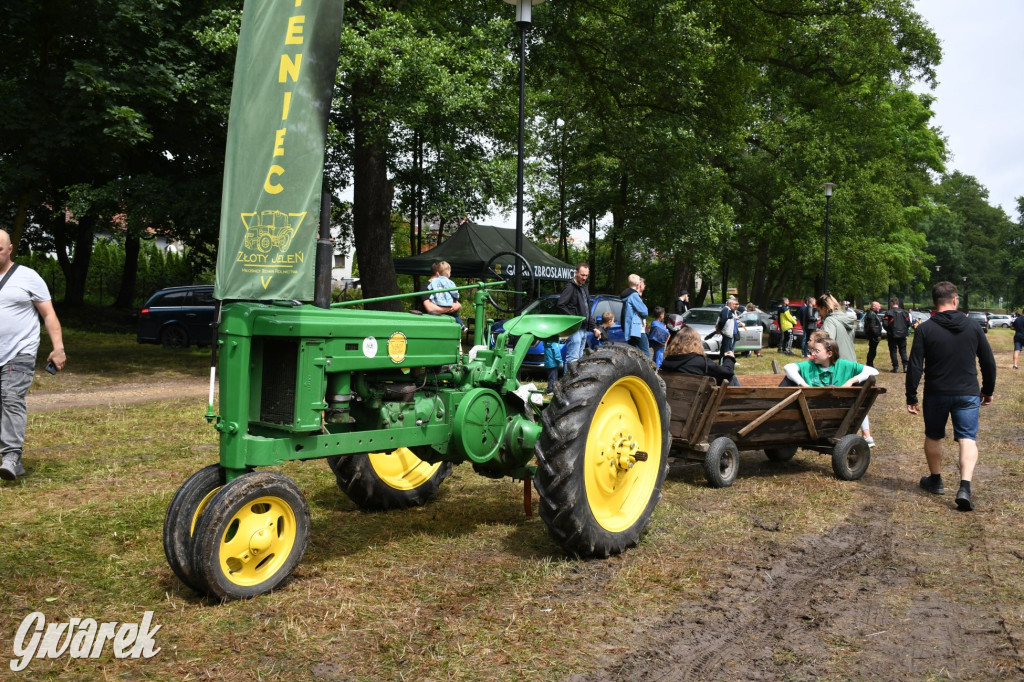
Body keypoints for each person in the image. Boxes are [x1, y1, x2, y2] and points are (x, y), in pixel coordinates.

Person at [906, 281, 996, 511]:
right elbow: (987, 361)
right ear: (955, 300)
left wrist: (911, 395)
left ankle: (935, 479)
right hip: (967, 393)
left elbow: (915, 365)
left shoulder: (925, 329)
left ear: (935, 303)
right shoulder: (973, 327)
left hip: (936, 392)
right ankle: (965, 486)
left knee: (934, 436)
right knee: (967, 438)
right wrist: (988, 390)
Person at [0, 229, 66, 481]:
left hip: (20, 352)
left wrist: (58, 347)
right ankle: (11, 459)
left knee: (11, 397)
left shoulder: (28, 277)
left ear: (10, 249)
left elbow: (49, 315)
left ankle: (11, 456)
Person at [817, 295, 873, 445]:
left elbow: (827, 343)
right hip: (852, 363)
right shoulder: (846, 318)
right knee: (857, 399)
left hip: (839, 366)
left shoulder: (830, 320)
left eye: (819, 310)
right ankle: (867, 435)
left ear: (824, 308)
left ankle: (833, 431)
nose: (819, 314)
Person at [784, 335, 879, 387]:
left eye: (817, 351)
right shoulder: (809, 364)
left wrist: (851, 381)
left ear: (829, 354)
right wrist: (804, 385)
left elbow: (873, 371)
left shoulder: (843, 364)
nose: (813, 354)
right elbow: (788, 367)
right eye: (813, 351)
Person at [661, 326, 739, 386]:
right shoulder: (701, 363)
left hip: (674, 401)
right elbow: (728, 373)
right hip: (698, 403)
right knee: (732, 378)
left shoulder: (666, 362)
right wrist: (729, 358)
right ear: (696, 343)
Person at [556, 263, 595, 364]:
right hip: (575, 329)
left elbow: (587, 309)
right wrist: (574, 319)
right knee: (572, 359)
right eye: (582, 275)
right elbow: (561, 304)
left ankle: (576, 380)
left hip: (584, 329)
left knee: (579, 360)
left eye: (586, 275)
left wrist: (593, 327)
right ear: (576, 273)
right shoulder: (570, 287)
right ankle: (567, 380)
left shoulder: (584, 287)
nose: (584, 278)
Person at [422, 261, 462, 326]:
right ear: (438, 274)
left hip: (449, 322)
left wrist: (458, 305)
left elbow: (456, 303)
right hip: (433, 323)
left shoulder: (446, 285)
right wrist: (450, 308)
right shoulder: (425, 288)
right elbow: (430, 308)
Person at [620, 274, 650, 356]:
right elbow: (645, 312)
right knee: (646, 354)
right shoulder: (633, 295)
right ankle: (648, 369)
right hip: (637, 329)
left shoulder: (626, 295)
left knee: (633, 353)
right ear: (637, 284)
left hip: (631, 328)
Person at [883, 296, 912, 373]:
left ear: (892, 303)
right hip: (902, 335)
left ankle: (896, 368)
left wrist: (890, 331)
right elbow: (909, 323)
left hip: (892, 335)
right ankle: (905, 367)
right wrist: (904, 330)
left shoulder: (888, 313)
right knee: (903, 351)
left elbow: (885, 324)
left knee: (893, 351)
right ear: (898, 303)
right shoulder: (905, 312)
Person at [715, 295, 745, 360]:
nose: (735, 306)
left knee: (727, 348)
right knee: (726, 350)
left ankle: (725, 362)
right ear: (730, 304)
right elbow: (722, 320)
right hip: (727, 333)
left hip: (729, 333)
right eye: (734, 304)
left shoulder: (730, 310)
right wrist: (720, 329)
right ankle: (725, 363)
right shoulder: (726, 310)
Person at [863, 301, 884, 368]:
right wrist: (877, 335)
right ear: (874, 306)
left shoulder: (872, 313)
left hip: (872, 335)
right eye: (878, 306)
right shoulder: (872, 314)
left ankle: (870, 364)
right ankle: (870, 364)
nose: (880, 308)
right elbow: (872, 327)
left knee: (872, 350)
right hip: (873, 336)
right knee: (872, 351)